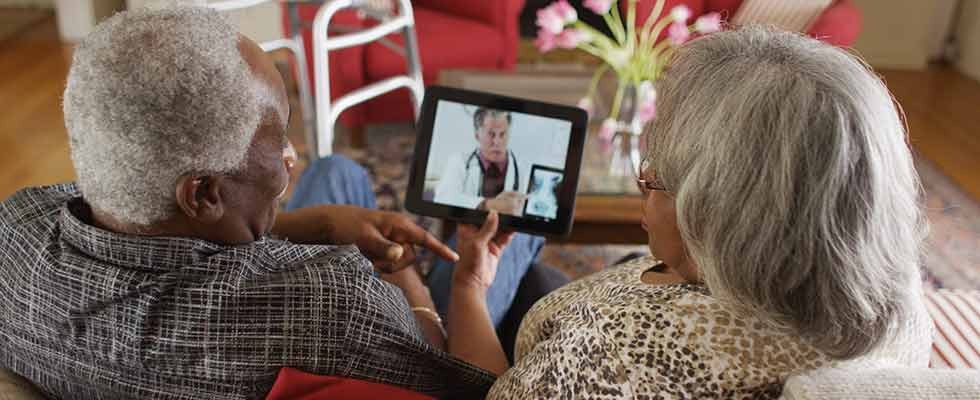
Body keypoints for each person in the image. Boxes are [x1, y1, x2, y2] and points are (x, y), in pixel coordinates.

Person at [0, 7, 542, 399]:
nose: (292, 156)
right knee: (515, 247)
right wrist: (429, 285)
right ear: (204, 193)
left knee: (336, 173)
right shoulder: (329, 303)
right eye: (280, 137)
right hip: (402, 347)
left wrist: (324, 224)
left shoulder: (16, 230)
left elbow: (161, 248)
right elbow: (477, 389)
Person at [447, 26, 934, 399]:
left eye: (655, 179)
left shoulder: (603, 353)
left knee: (485, 263)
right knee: (535, 273)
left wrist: (468, 285)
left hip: (541, 346)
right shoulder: (899, 303)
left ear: (720, 215)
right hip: (617, 302)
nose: (644, 189)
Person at [433, 108, 530, 216]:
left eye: (502, 134)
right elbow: (442, 198)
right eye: (491, 134)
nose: (497, 142)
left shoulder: (525, 169)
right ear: (477, 135)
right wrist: (487, 205)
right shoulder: (459, 161)